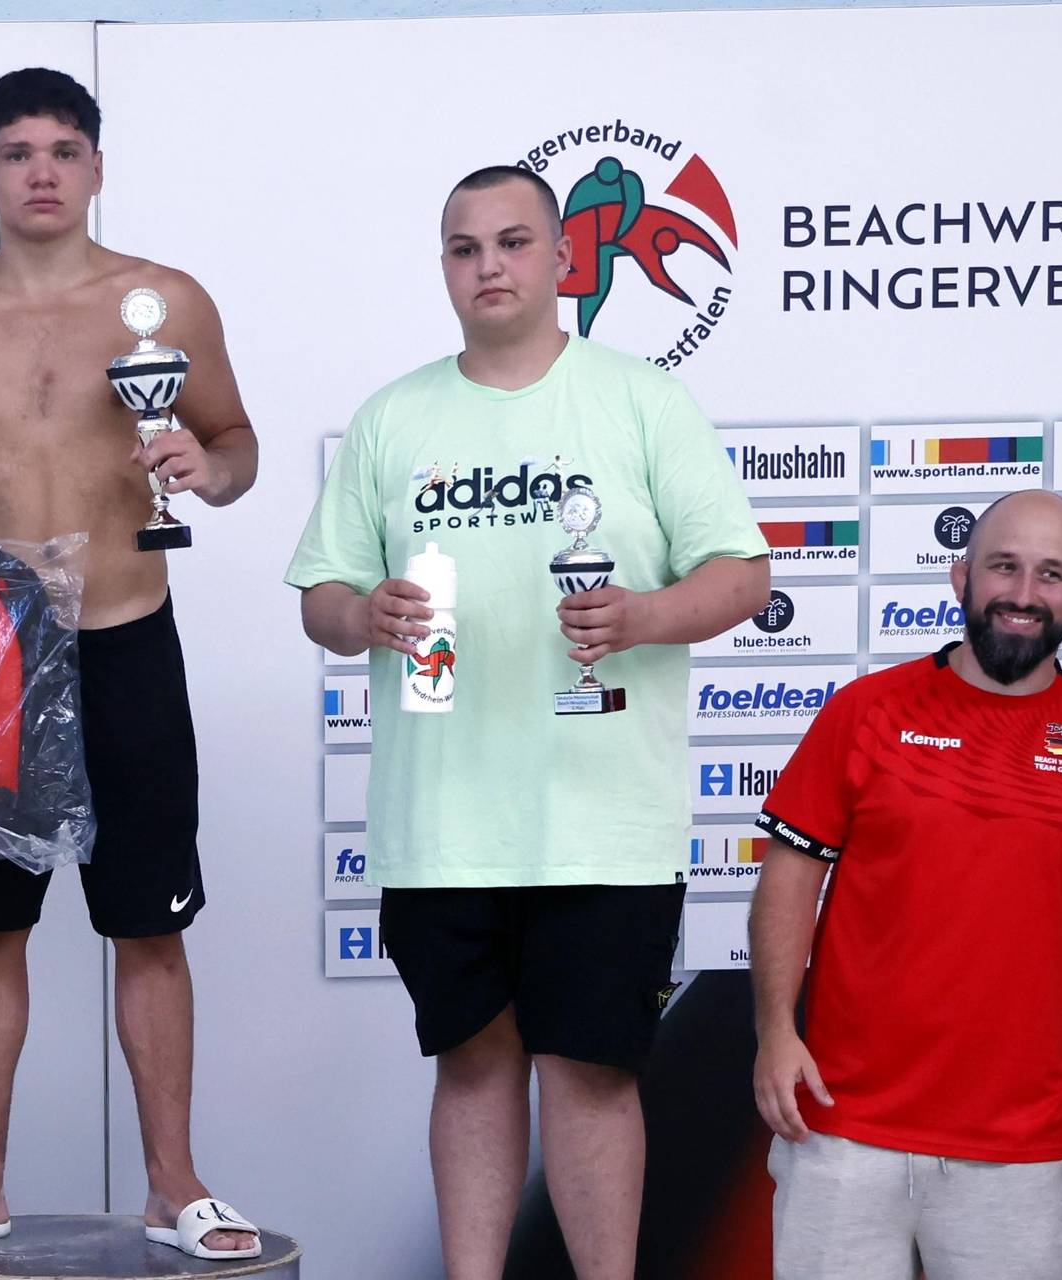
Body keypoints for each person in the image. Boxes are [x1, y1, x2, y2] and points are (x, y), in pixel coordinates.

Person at [286, 163, 770, 1280]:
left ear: (561, 259)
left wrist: (642, 612)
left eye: (511, 242)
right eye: (464, 248)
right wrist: (364, 611)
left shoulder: (638, 399)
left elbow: (742, 576)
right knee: (470, 1065)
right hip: (440, 820)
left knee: (593, 1073)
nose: (487, 265)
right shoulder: (393, 415)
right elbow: (321, 598)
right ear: (444, 268)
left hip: (602, 819)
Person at [0, 67, 264, 1260]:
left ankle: (172, 1183)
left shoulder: (165, 301)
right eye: (17, 150)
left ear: (94, 168)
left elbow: (235, 446)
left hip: (127, 634)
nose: (40, 170)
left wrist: (206, 464)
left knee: (148, 923)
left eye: (63, 150)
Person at [748, 489, 1062, 1280]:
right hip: (840, 1131)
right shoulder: (867, 711)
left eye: (1051, 575)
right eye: (1003, 566)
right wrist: (774, 1031)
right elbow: (790, 876)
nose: (1022, 593)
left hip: (1019, 1152)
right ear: (960, 576)